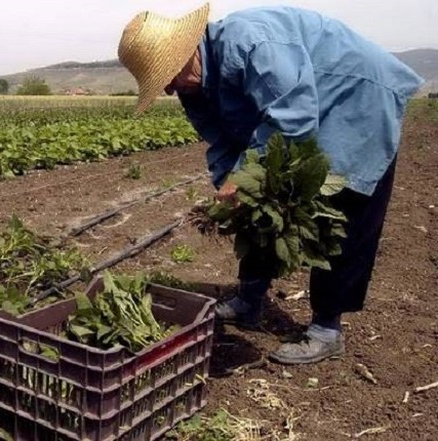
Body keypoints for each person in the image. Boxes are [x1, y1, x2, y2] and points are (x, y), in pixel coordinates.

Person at [117, 4, 424, 364]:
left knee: (342, 206)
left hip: (356, 96)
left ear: (187, 52)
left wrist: (244, 175)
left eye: (167, 75)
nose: (168, 89)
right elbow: (220, 142)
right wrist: (230, 185)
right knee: (258, 200)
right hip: (304, 104)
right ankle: (250, 300)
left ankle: (327, 328)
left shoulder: (249, 42)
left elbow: (293, 118)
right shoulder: (193, 88)